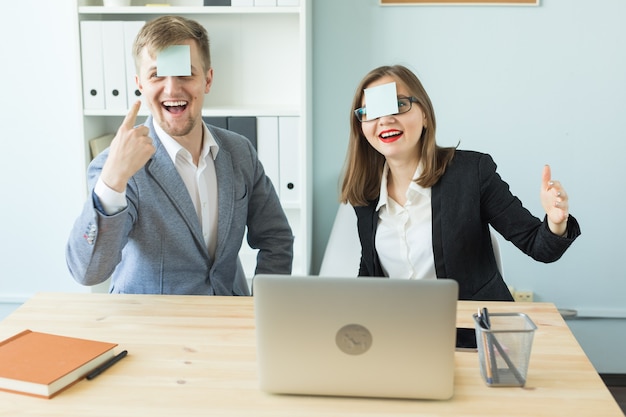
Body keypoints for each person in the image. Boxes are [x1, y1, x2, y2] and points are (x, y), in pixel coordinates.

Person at [66, 16, 293, 295]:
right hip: (152, 328)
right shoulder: (113, 166)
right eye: (157, 75)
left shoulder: (240, 151)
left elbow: (276, 237)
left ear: (207, 80)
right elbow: (88, 271)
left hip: (229, 321)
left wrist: (262, 306)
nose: (172, 89)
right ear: (140, 85)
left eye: (185, 73)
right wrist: (114, 179)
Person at [340, 64, 581, 301]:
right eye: (372, 112)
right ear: (361, 127)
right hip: (402, 333)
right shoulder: (366, 194)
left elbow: (538, 246)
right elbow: (372, 271)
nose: (385, 120)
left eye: (399, 105)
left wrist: (555, 221)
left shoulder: (471, 173)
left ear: (424, 114)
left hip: (472, 333)